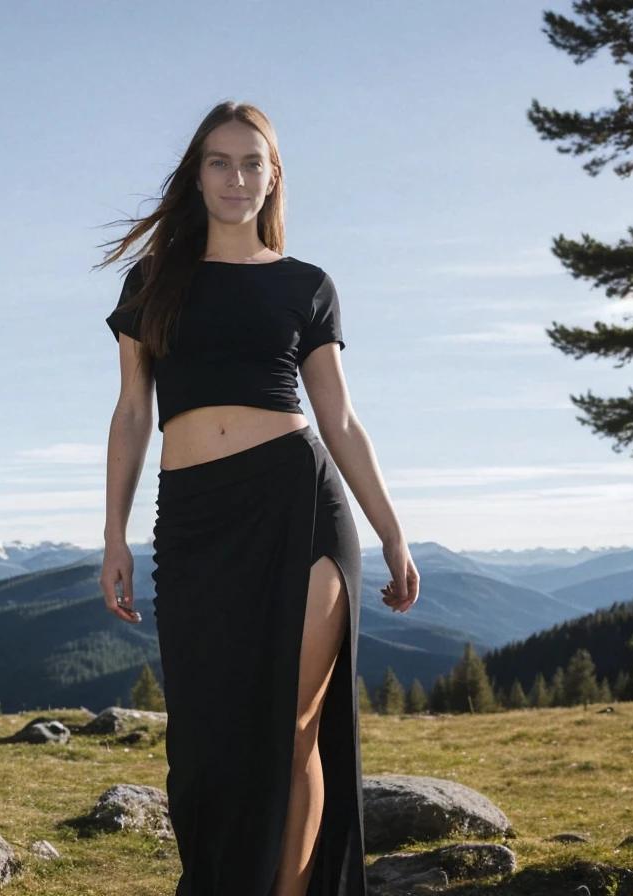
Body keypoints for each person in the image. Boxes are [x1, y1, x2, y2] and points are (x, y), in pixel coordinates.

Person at [98, 100, 421, 896]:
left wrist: (391, 530)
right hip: (195, 521)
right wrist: (113, 534)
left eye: (252, 163)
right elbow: (134, 411)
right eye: (219, 161)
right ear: (197, 174)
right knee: (205, 743)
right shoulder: (154, 282)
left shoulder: (306, 285)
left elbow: (339, 418)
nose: (236, 177)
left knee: (295, 729)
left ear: (273, 177)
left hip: (298, 508)